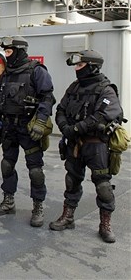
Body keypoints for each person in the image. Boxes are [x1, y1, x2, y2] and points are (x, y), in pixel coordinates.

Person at [50, 50, 124, 243]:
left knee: (103, 186)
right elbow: (61, 109)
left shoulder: (106, 90)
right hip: (75, 144)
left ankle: (105, 224)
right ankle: (68, 217)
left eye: (80, 65)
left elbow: (101, 115)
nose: (76, 69)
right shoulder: (74, 87)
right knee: (72, 181)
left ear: (91, 66)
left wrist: (75, 129)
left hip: (96, 146)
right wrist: (65, 127)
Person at [0, 36, 55, 227]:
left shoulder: (36, 71)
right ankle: (8, 201)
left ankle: (38, 206)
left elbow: (48, 97)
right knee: (7, 165)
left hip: (28, 128)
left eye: (9, 51)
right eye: (5, 52)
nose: (6, 55)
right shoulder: (6, 74)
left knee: (35, 170)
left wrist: (41, 122)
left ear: (19, 51)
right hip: (9, 127)